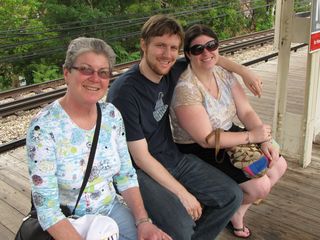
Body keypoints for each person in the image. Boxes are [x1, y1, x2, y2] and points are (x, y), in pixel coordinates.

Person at [107, 15, 264, 240]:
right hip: (140, 172)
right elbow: (140, 157)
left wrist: (244, 72)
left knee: (231, 196)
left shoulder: (171, 68)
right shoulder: (125, 92)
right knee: (182, 227)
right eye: (160, 45)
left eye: (173, 48)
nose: (167, 54)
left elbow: (212, 58)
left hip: (172, 158)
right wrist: (183, 193)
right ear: (143, 45)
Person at [26, 37, 172, 240]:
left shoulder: (111, 116)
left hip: (110, 210)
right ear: (67, 73)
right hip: (69, 221)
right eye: (86, 69)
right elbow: (48, 211)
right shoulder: (44, 127)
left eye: (103, 72)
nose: (95, 78)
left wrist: (143, 222)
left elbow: (125, 175)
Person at [170, 24, 288, 238]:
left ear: (217, 47)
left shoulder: (223, 74)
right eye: (198, 49)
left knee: (278, 163)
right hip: (200, 146)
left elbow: (246, 111)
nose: (206, 53)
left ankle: (236, 213)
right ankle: (231, 212)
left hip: (230, 134)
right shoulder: (186, 89)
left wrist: (265, 140)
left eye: (211, 45)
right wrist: (253, 136)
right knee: (260, 187)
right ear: (188, 54)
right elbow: (207, 139)